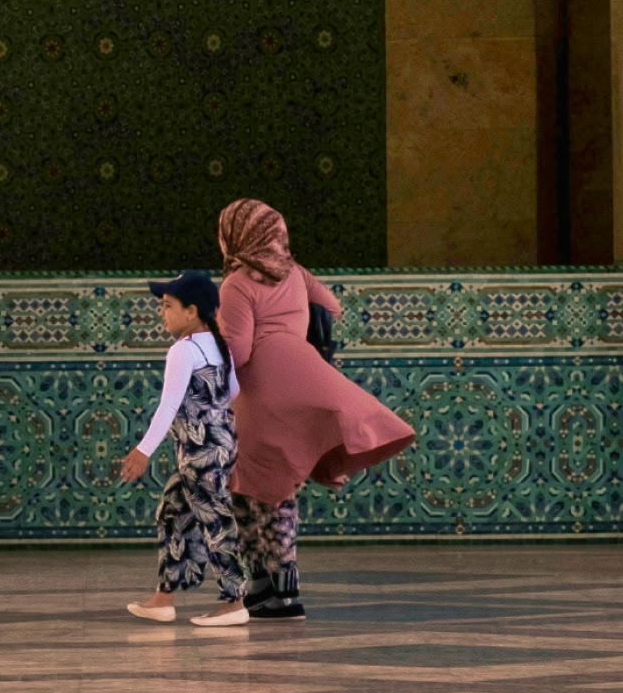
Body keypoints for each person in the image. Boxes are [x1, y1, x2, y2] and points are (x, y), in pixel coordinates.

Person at [217, 198, 416, 621]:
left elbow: (238, 350)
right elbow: (331, 305)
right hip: (302, 379)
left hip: (260, 392)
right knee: (281, 488)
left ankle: (262, 586)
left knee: (248, 487)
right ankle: (285, 590)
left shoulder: (236, 282)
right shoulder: (295, 273)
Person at [118, 269, 251, 627]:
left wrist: (143, 451)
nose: (163, 313)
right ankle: (164, 597)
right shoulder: (219, 348)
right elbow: (234, 393)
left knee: (214, 519)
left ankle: (235, 601)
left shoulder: (183, 350)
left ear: (191, 311)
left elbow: (168, 405)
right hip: (220, 447)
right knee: (172, 512)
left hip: (200, 454)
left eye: (168, 306)